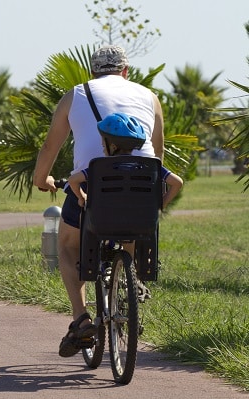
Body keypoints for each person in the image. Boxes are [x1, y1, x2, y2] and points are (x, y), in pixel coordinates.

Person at [32, 45, 165, 358]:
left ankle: (81, 318)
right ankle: (126, 283)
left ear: (92, 72)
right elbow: (157, 153)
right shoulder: (150, 96)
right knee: (132, 225)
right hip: (139, 188)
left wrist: (41, 180)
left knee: (67, 245)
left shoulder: (76, 95)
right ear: (126, 71)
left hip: (92, 186)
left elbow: (51, 145)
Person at [68, 113, 183, 209]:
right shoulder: (148, 166)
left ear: (113, 146)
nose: (102, 144)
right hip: (141, 223)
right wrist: (161, 204)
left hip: (104, 223)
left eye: (104, 140)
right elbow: (177, 183)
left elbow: (73, 180)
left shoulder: (100, 167)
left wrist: (82, 197)